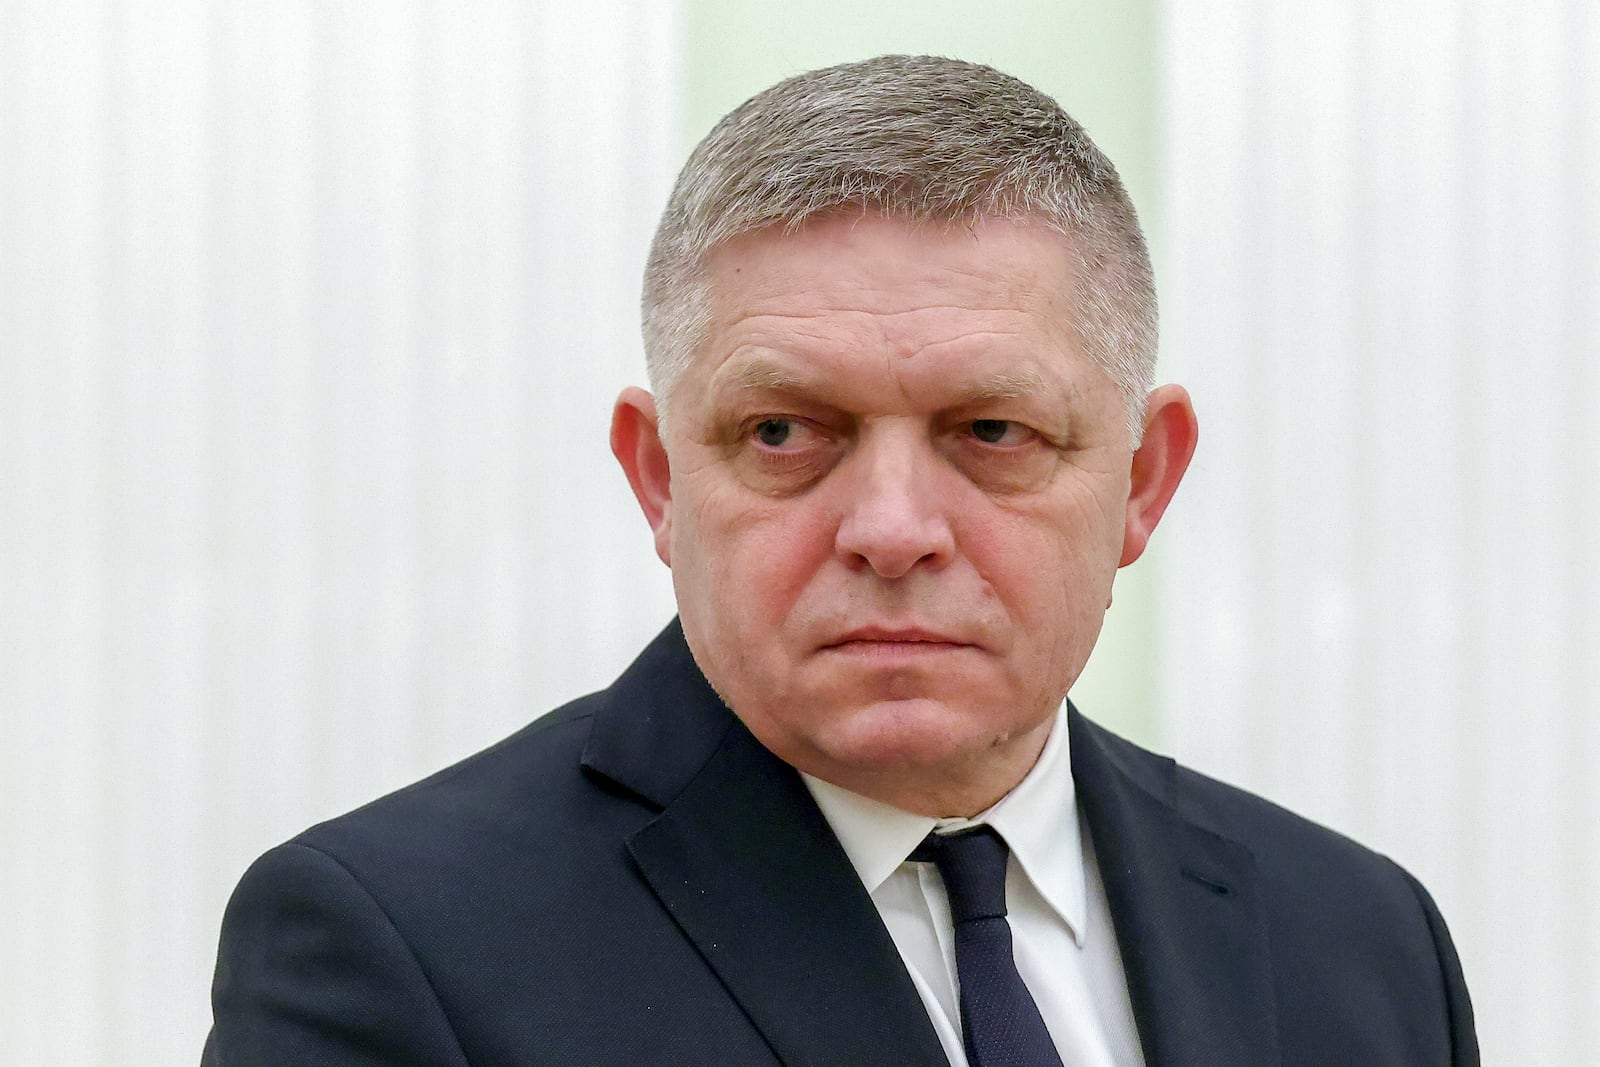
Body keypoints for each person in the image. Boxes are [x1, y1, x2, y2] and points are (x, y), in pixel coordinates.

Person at [203, 55, 1478, 1066]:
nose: (889, 526)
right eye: (782, 433)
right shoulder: (399, 944)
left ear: (1143, 479)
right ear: (658, 479)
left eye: (990, 430)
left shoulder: (1358, 941)